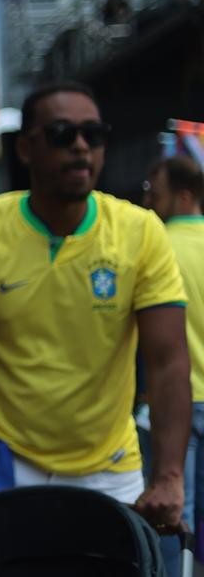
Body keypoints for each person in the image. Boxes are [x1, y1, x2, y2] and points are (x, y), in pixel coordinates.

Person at [0, 81, 189, 536]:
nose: (80, 146)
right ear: (27, 149)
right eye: (61, 134)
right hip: (7, 467)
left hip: (111, 469)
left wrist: (168, 478)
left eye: (93, 134)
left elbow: (168, 362)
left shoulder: (141, 233)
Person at [143, 154, 204, 538]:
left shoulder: (156, 247)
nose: (149, 201)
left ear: (183, 197)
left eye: (156, 192)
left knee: (174, 517)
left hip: (174, 403)